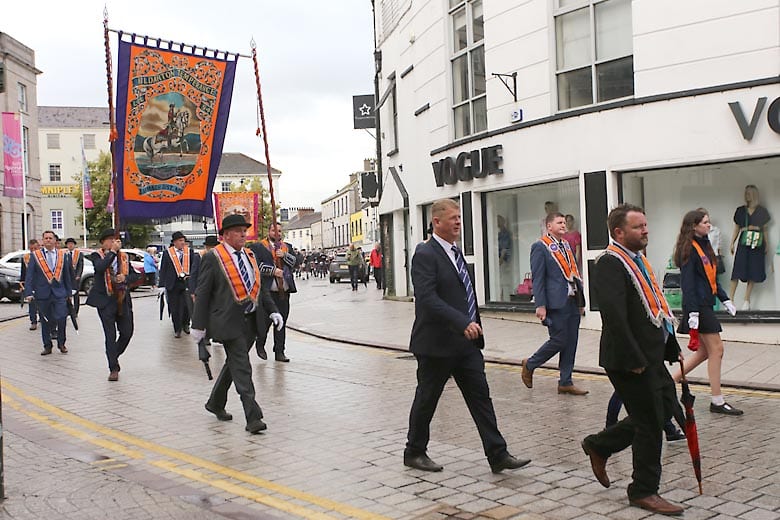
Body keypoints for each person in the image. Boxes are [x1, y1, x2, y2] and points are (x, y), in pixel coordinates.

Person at [404, 198, 530, 474]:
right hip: (436, 344)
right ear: (436, 222)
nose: (458, 222)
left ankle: (498, 454)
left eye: (459, 218)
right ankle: (414, 451)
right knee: (427, 399)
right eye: (453, 218)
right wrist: (462, 322)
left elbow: (464, 294)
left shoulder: (455, 252)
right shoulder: (425, 254)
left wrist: (473, 325)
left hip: (466, 345)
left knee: (481, 398)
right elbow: (427, 298)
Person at [581, 204, 684, 516]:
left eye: (646, 225)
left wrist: (671, 345)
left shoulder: (638, 261)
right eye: (638, 227)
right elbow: (614, 315)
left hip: (650, 355)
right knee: (651, 423)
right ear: (619, 232)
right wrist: (633, 358)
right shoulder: (610, 263)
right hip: (629, 359)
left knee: (666, 407)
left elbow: (655, 306)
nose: (646, 231)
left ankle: (600, 444)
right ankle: (643, 490)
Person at [190, 215, 283, 434]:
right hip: (229, 321)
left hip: (251, 321)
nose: (243, 234)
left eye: (244, 230)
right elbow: (203, 293)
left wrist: (273, 311)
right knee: (242, 368)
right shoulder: (214, 258)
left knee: (233, 364)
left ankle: (215, 402)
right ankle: (253, 417)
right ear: (226, 235)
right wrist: (198, 325)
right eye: (239, 231)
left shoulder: (249, 255)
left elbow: (258, 287)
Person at [671, 209, 742, 415]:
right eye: (704, 222)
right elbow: (689, 284)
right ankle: (717, 401)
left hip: (706, 303)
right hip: (698, 306)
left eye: (708, 222)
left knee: (704, 352)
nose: (709, 225)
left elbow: (711, 277)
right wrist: (692, 312)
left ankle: (667, 383)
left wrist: (725, 298)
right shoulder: (688, 249)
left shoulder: (705, 244)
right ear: (693, 226)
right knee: (717, 350)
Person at [521, 212, 587, 395]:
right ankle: (531, 363)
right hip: (555, 303)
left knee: (571, 341)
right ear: (549, 226)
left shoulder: (566, 245)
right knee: (559, 340)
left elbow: (574, 273)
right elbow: (538, 278)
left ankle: (566, 381)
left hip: (572, 300)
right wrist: (540, 305)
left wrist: (581, 300)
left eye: (564, 222)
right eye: (559, 222)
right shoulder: (540, 246)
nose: (563, 225)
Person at [86, 229, 140, 381]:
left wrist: (126, 278)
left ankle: (112, 354)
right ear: (103, 242)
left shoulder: (124, 257)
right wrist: (112, 253)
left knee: (127, 332)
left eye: (115, 240)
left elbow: (136, 275)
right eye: (109, 240)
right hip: (105, 301)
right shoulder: (97, 255)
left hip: (122, 299)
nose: (113, 242)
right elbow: (100, 267)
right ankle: (113, 367)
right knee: (110, 335)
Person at [250, 222, 299, 362]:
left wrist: (284, 256)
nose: (276, 233)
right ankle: (260, 344)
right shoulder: (258, 246)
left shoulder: (286, 247)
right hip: (267, 291)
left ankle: (279, 351)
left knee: (281, 322)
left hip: (284, 291)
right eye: (273, 230)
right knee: (265, 322)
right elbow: (256, 266)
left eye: (279, 231)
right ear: (268, 231)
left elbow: (296, 263)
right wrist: (273, 271)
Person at [24, 231, 74, 356]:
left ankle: (61, 343)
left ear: (55, 240)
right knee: (45, 321)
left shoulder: (63, 255)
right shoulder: (36, 256)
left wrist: (69, 292)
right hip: (42, 293)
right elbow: (29, 276)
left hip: (59, 293)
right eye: (45, 238)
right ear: (42, 241)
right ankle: (47, 346)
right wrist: (28, 292)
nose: (48, 240)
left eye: (50, 238)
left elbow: (67, 276)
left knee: (62, 318)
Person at [729, 185, 771, 310]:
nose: (746, 196)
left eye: (748, 194)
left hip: (757, 242)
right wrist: (732, 242)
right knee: (738, 269)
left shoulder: (762, 211)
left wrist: (767, 244)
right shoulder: (741, 210)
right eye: (745, 194)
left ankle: (746, 300)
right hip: (743, 242)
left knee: (753, 269)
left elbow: (765, 229)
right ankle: (730, 299)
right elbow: (736, 227)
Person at [159, 231, 200, 338]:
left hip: (186, 283)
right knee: (174, 307)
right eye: (181, 241)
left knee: (187, 306)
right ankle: (177, 328)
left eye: (184, 241)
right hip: (173, 284)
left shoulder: (189, 252)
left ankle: (186, 324)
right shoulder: (167, 253)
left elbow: (194, 267)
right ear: (175, 242)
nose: (183, 243)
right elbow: (163, 269)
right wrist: (161, 285)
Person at [21, 239, 41, 330]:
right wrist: (22, 284)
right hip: (30, 284)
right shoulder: (26, 257)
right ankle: (33, 321)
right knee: (31, 304)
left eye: (35, 248)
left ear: (39, 247)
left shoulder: (42, 257)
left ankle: (44, 318)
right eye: (31, 248)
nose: (33, 250)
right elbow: (23, 272)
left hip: (41, 284)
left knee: (42, 303)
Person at [64, 238, 84, 316]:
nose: (70, 245)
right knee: (67, 294)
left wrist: (78, 275)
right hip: (67, 277)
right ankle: (68, 310)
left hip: (75, 277)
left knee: (76, 294)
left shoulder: (78, 254)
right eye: (69, 244)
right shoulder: (64, 254)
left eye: (72, 244)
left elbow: (80, 265)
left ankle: (75, 311)